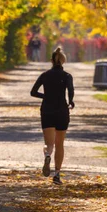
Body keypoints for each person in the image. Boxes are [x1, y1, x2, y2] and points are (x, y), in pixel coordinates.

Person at [30, 47, 74, 185]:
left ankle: (47, 155)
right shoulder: (67, 76)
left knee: (49, 144)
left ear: (51, 60)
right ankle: (57, 174)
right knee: (60, 144)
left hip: (47, 110)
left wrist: (46, 96)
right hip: (62, 110)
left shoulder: (45, 75)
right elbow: (71, 93)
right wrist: (71, 102)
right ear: (63, 61)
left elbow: (33, 92)